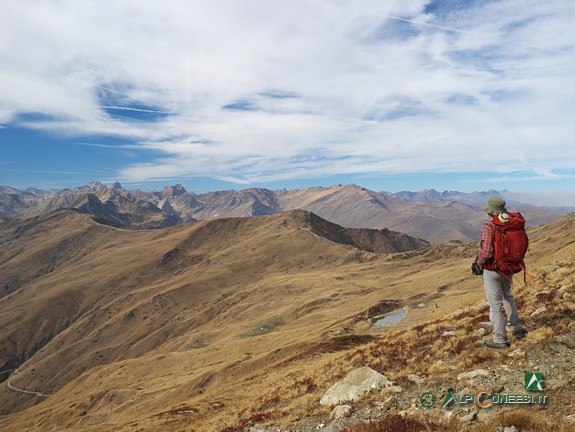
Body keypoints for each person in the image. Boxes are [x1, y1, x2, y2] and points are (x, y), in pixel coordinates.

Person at [476, 196, 528, 350]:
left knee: (495, 305)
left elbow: (486, 252)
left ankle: (499, 340)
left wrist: (479, 264)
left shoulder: (490, 226)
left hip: (492, 270)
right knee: (507, 296)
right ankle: (516, 328)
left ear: (491, 212)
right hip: (509, 267)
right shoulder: (513, 224)